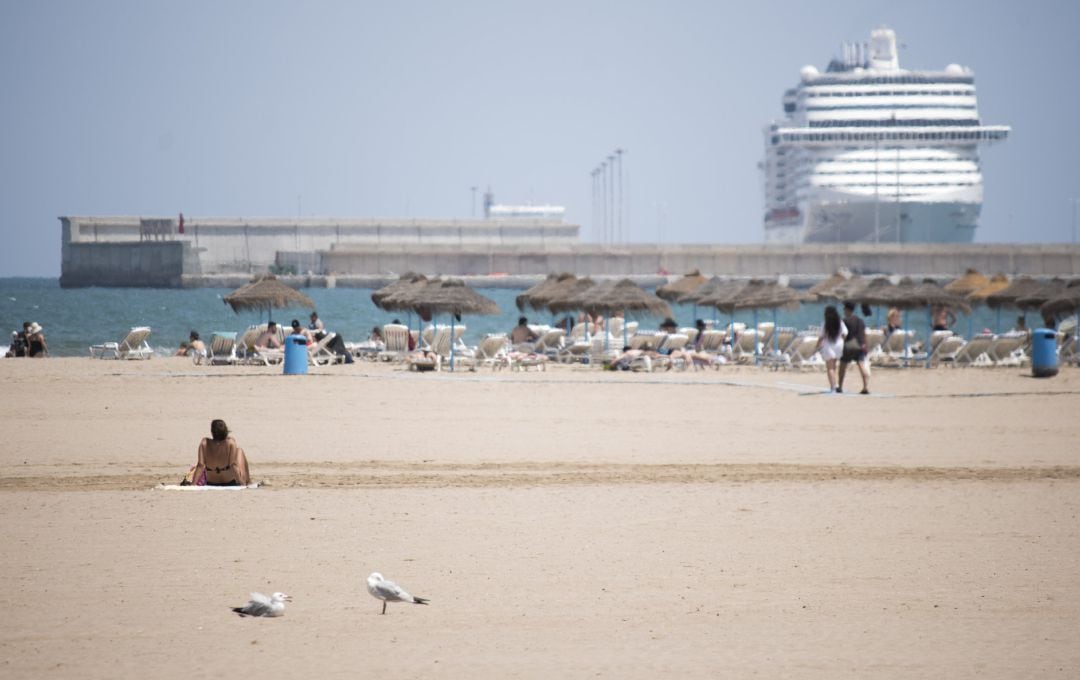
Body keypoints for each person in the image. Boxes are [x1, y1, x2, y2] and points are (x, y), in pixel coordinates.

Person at [186, 419, 251, 486]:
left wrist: (193, 484)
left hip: (211, 482)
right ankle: (249, 481)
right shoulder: (231, 443)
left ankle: (248, 481)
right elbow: (233, 465)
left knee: (238, 452)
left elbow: (200, 465)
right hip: (229, 481)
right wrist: (241, 483)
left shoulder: (204, 443)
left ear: (212, 432)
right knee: (239, 451)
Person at [838, 302, 870, 395]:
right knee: (861, 365)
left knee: (843, 365)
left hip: (850, 344)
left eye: (844, 309)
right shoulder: (860, 320)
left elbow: (843, 334)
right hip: (861, 344)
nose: (844, 311)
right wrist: (865, 345)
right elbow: (864, 334)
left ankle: (840, 386)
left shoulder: (844, 321)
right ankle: (865, 386)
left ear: (847, 310)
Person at [814, 305, 847, 393]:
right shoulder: (840, 322)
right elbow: (845, 334)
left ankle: (833, 387)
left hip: (829, 346)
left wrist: (816, 347)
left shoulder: (825, 323)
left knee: (830, 368)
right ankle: (835, 384)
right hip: (839, 345)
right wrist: (842, 340)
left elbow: (821, 337)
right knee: (834, 366)